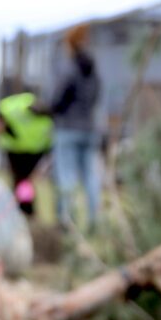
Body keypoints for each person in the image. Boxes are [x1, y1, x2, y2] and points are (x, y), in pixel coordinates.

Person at [45, 22, 104, 228]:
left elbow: (56, 101)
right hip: (89, 128)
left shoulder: (68, 69)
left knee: (66, 175)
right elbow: (96, 96)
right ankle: (94, 221)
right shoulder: (93, 70)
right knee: (90, 176)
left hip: (68, 129)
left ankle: (67, 222)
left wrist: (46, 109)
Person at [0, 85, 50, 217]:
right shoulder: (10, 107)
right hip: (18, 149)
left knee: (23, 182)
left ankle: (23, 210)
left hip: (32, 149)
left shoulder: (9, 106)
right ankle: (23, 210)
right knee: (23, 181)